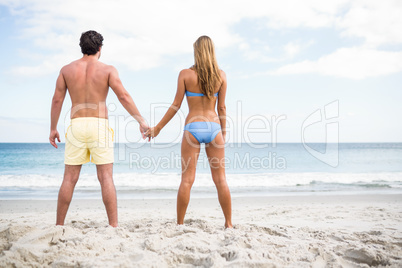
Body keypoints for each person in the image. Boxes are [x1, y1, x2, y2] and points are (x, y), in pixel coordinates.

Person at [49, 30, 148, 227]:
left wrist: (53, 128)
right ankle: (113, 226)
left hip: (76, 125)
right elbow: (123, 97)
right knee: (105, 177)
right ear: (100, 49)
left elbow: (57, 99)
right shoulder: (108, 70)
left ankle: (59, 226)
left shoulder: (66, 70)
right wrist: (141, 121)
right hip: (99, 126)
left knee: (69, 178)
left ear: (81, 48)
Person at [146, 35, 233, 228]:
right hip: (213, 127)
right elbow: (222, 108)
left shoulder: (185, 74)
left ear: (197, 51)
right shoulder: (221, 76)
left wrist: (158, 128)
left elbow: (176, 105)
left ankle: (180, 223)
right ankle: (228, 223)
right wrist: (223, 132)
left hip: (192, 127)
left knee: (187, 180)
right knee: (220, 179)